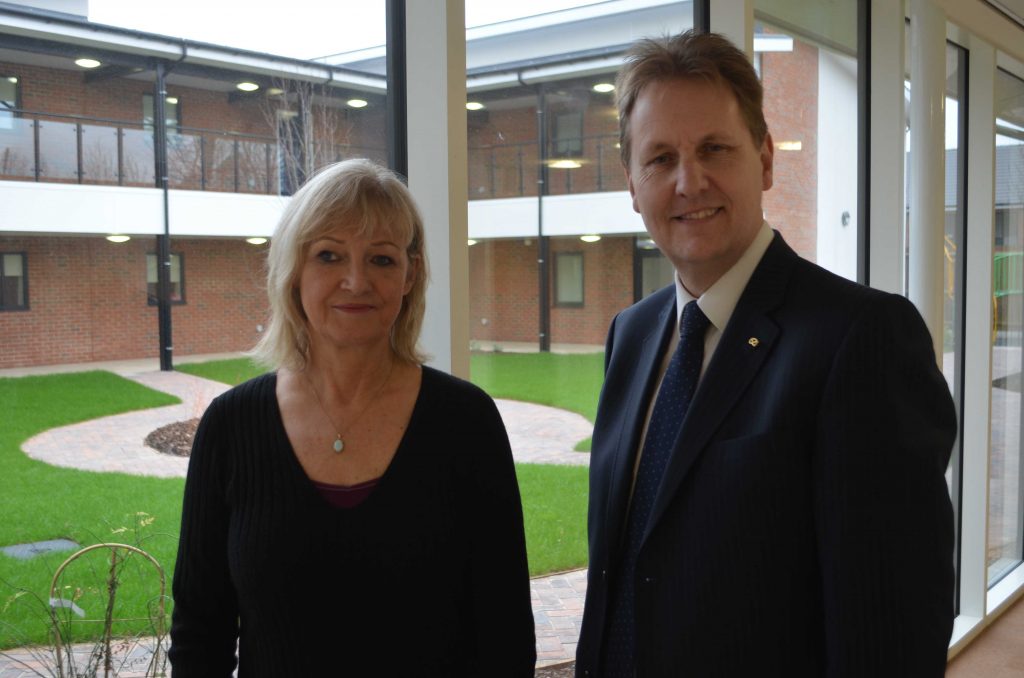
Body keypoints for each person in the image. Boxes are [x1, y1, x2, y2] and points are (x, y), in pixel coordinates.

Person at [575, 31, 956, 677]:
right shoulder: (631, 335)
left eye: (714, 149)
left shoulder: (861, 338)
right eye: (660, 158)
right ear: (633, 186)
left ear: (767, 159)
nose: (689, 181)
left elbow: (893, 624)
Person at [169, 158, 536, 677]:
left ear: (411, 275)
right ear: (294, 273)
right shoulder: (231, 427)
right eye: (329, 256)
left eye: (381, 259)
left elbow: (505, 637)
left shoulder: (466, 423)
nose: (355, 280)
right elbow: (197, 638)